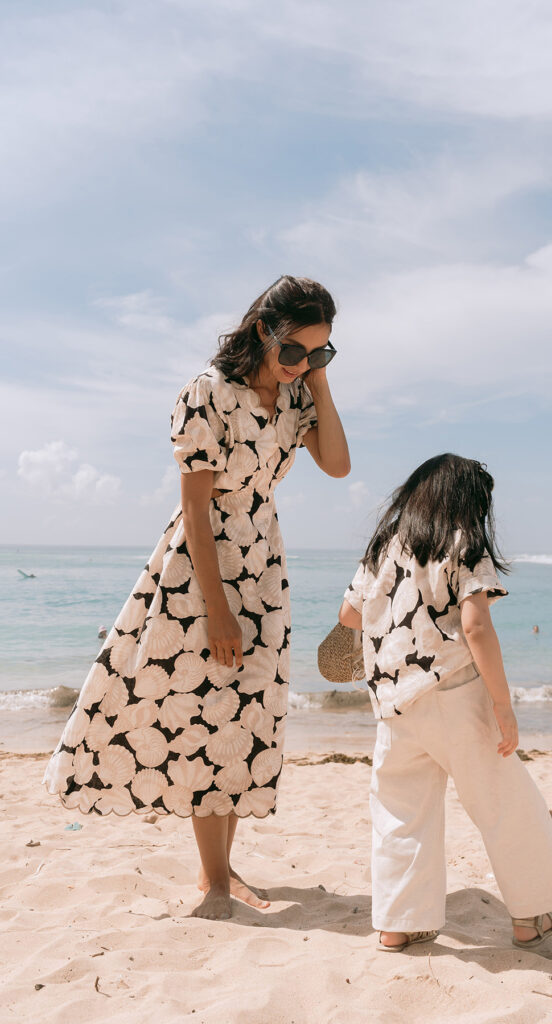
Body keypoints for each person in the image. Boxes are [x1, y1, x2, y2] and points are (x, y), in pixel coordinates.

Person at [44, 275, 350, 921]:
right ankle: (214, 879)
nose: (301, 362)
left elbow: (337, 464)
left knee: (244, 716)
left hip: (264, 564)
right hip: (200, 571)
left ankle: (224, 869)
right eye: (295, 349)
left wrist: (317, 382)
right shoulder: (205, 392)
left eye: (319, 352)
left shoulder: (296, 396)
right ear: (262, 329)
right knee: (201, 715)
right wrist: (216, 608)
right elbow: (194, 507)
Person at [338, 454, 552, 952]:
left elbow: (348, 616)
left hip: (396, 703)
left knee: (402, 812)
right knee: (504, 801)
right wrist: (503, 705)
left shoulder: (384, 547)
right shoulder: (462, 541)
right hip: (454, 691)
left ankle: (399, 924)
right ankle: (531, 915)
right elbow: (475, 626)